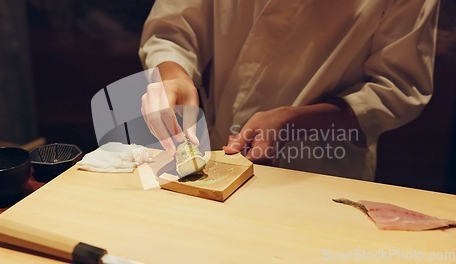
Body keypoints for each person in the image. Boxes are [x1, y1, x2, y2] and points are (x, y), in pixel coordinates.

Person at [139, 0, 439, 181]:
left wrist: (298, 121)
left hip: (319, 170)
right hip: (217, 148)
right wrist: (172, 73)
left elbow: (398, 86)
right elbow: (172, 29)